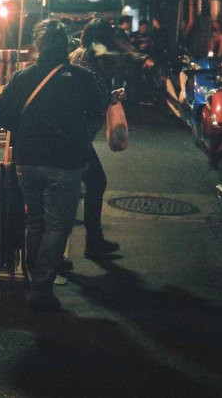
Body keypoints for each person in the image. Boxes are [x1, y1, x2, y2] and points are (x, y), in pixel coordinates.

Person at [0, 19, 103, 311]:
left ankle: (33, 280)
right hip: (65, 161)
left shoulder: (22, 77)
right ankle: (40, 290)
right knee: (57, 226)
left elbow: (0, 113)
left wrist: (24, 127)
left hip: (28, 160)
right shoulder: (81, 77)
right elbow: (96, 111)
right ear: (65, 45)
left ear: (38, 45)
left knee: (36, 221)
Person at [69, 18, 150, 270]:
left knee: (85, 186)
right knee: (89, 185)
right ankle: (88, 244)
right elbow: (91, 99)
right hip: (77, 137)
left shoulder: (78, 55)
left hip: (74, 134)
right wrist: (110, 97)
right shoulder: (94, 61)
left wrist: (109, 95)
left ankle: (90, 242)